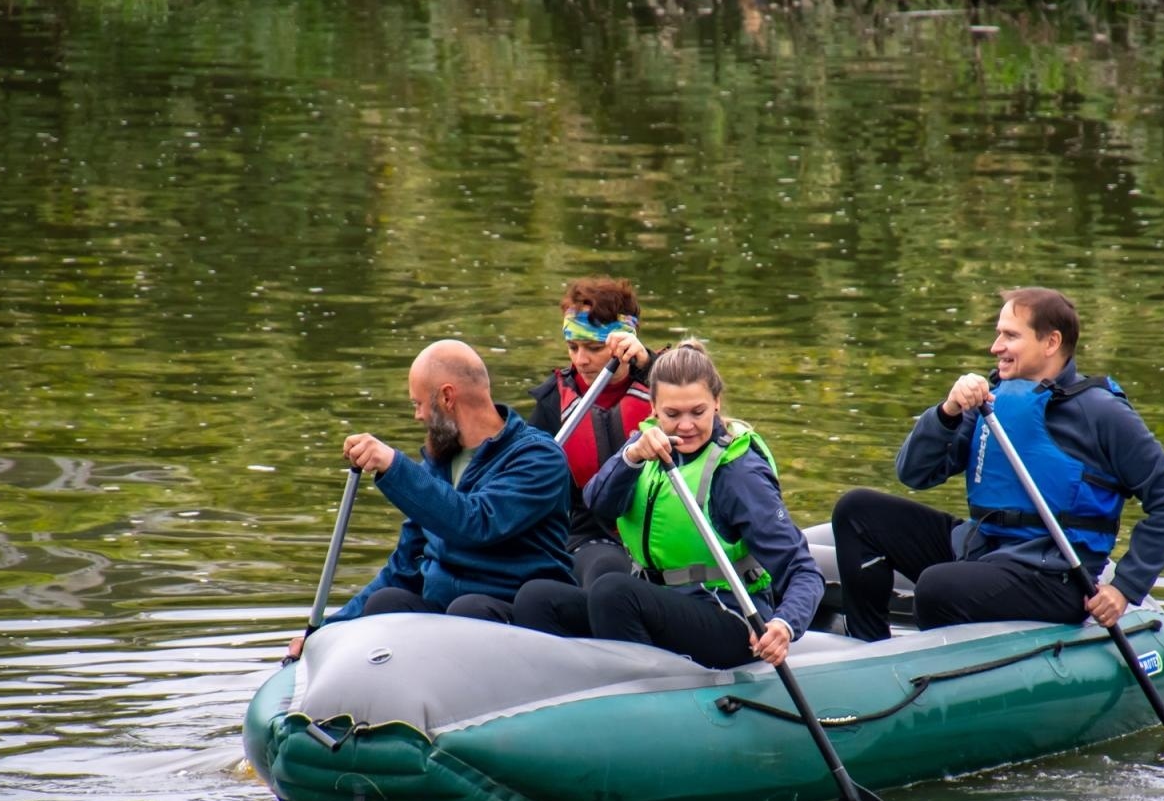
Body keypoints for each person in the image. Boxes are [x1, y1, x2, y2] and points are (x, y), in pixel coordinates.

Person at [831, 287, 1164, 641]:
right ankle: (867, 646)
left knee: (937, 585)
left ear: (1050, 342)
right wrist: (948, 412)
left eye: (1010, 335)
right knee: (858, 511)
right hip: (983, 549)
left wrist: (1124, 587)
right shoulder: (992, 399)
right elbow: (914, 474)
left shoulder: (1103, 412)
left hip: (1052, 575)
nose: (996, 347)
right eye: (998, 334)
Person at [510, 341, 825, 669]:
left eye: (697, 412)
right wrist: (629, 458)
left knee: (613, 592)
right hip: (661, 605)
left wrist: (784, 625)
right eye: (673, 414)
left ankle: (640, 699)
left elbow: (803, 570)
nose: (686, 426)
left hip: (730, 618)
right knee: (538, 599)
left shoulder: (738, 473)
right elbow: (597, 504)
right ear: (654, 409)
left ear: (716, 403)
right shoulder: (644, 445)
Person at [284, 339, 573, 660]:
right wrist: (329, 629)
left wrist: (394, 466)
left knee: (469, 609)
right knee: (387, 603)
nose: (417, 415)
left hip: (510, 618)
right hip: (449, 615)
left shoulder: (538, 457)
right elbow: (404, 566)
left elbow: (475, 523)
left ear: (447, 397)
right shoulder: (439, 464)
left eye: (418, 403)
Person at [525, 276, 656, 588]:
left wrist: (649, 366)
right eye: (573, 347)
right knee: (607, 571)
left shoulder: (668, 382)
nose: (580, 360)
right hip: (591, 536)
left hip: (662, 528)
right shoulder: (552, 403)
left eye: (594, 348)